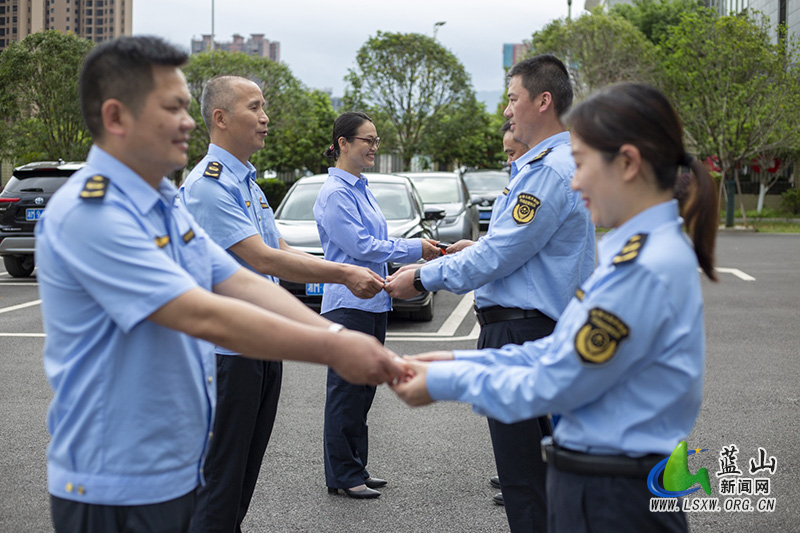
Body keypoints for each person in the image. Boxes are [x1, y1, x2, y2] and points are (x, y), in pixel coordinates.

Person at [36, 36, 403, 533]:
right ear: (117, 116)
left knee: (224, 505)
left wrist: (337, 335)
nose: (189, 122)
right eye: (172, 108)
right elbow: (201, 311)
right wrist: (333, 345)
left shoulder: (161, 201)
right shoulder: (94, 213)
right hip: (115, 478)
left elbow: (238, 279)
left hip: (167, 460)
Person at [392, 81, 719, 533]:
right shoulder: (637, 253)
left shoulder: (645, 266)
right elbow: (561, 350)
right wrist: (453, 360)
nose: (575, 180)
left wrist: (447, 380)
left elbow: (560, 378)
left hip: (614, 497)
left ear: (628, 163)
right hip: (606, 486)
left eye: (582, 163)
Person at [386, 55, 595, 532]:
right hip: (538, 328)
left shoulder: (546, 171)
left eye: (512, 98)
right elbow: (516, 249)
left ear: (543, 101)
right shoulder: (552, 164)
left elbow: (500, 256)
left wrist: (422, 276)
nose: (506, 109)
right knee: (545, 475)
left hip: (522, 332)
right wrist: (475, 249)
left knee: (525, 481)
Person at [179, 76, 386, 532]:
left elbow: (280, 247)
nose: (265, 117)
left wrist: (338, 268)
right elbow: (261, 258)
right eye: (254, 107)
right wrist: (344, 273)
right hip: (227, 352)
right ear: (220, 118)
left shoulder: (247, 183)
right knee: (221, 476)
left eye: (264, 107)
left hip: (259, 346)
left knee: (243, 472)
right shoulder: (210, 186)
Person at [314, 111, 441, 499]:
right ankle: (342, 474)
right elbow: (362, 246)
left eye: (376, 140)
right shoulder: (336, 193)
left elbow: (374, 243)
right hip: (348, 303)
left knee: (364, 391)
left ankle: (356, 466)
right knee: (346, 391)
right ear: (343, 144)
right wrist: (414, 249)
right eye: (367, 140)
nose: (374, 147)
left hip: (372, 302)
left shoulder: (360, 187)